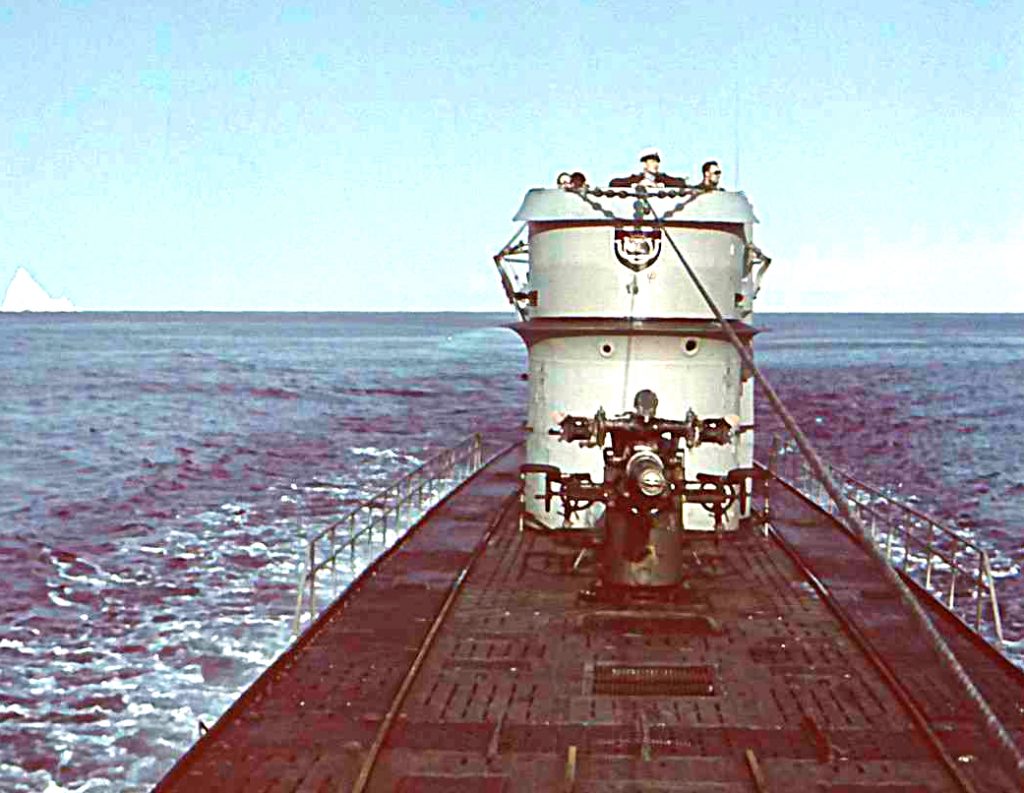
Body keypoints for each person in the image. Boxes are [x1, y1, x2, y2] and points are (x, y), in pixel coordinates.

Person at [609, 148, 688, 188]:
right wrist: (637, 185)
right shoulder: (635, 179)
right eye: (652, 161)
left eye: (657, 162)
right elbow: (614, 183)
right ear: (644, 164)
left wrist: (659, 186)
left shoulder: (663, 179)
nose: (655, 164)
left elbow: (681, 183)